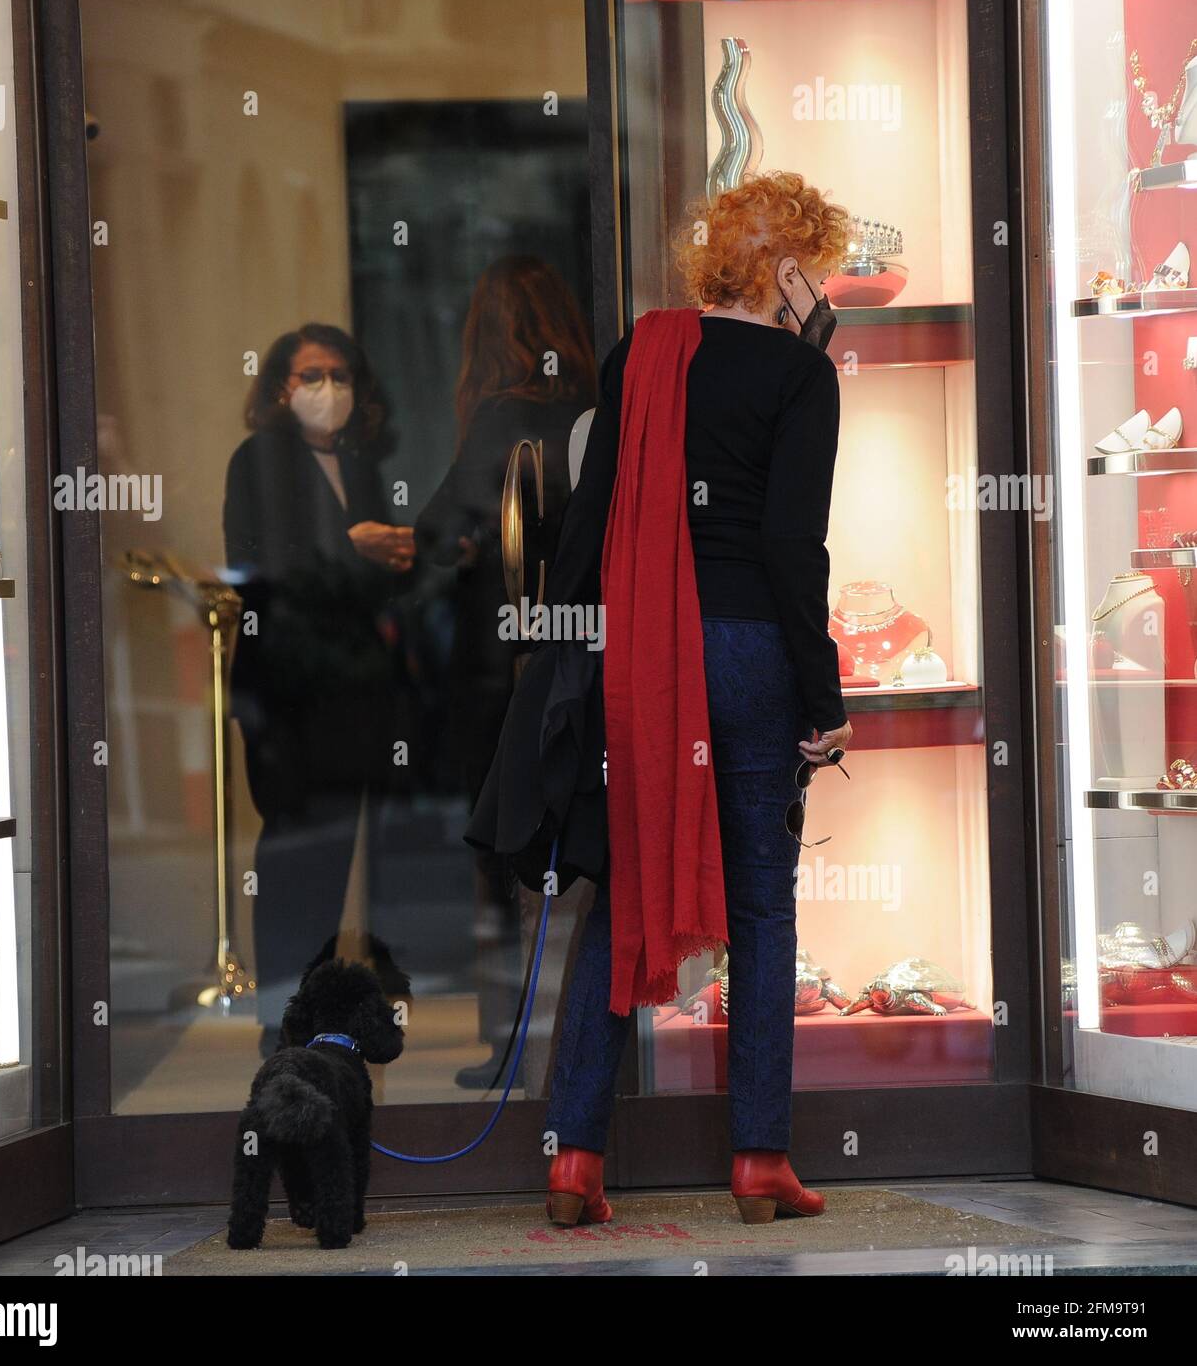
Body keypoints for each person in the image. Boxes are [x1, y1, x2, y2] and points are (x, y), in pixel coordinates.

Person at [470, 171, 854, 1225]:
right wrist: (821, 696)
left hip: (646, 656)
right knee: (763, 902)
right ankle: (758, 1159)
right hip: (749, 654)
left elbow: (588, 523)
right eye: (810, 264)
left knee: (622, 883)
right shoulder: (801, 378)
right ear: (785, 269)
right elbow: (790, 547)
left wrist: (575, 656)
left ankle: (575, 1157)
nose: (816, 283)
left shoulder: (645, 352)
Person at [417, 256, 597, 1088]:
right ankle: (585, 1038)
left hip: (504, 661)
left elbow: (444, 528)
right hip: (584, 650)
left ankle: (511, 1043)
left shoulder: (500, 417)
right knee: (587, 848)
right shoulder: (595, 411)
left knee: (500, 853)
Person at [224, 323, 414, 1056]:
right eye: (310, 375)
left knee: (335, 849)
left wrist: (395, 556)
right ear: (280, 387)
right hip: (285, 688)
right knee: (290, 849)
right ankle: (281, 1019)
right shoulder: (258, 460)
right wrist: (352, 548)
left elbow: (360, 584)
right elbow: (258, 568)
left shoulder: (362, 464)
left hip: (354, 689)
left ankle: (315, 1011)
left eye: (339, 374)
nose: (326, 389)